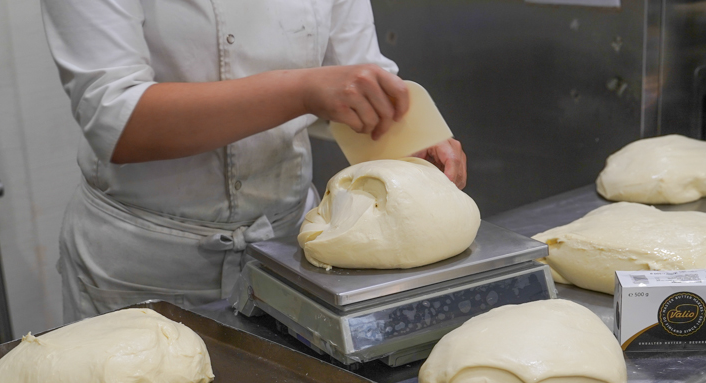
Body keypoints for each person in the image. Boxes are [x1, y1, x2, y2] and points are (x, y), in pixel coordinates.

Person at [41, 0, 468, 322]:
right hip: (146, 267)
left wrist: (410, 135)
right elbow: (115, 119)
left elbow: (360, 72)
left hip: (292, 253)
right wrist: (301, 91)